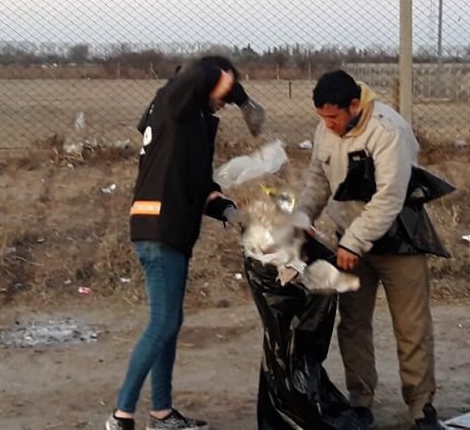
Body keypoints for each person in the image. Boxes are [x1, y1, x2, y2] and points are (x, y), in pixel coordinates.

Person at [105, 56, 264, 430]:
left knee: (169, 323)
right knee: (162, 322)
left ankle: (161, 413)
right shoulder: (173, 106)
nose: (222, 101)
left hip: (169, 230)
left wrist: (231, 214)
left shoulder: (190, 125)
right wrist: (239, 93)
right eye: (221, 92)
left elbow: (199, 185)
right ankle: (120, 415)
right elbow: (194, 74)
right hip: (161, 230)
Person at [296, 70, 448, 430]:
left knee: (411, 325)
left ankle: (421, 406)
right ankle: (360, 401)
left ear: (354, 105)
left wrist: (354, 243)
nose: (328, 125)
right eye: (322, 118)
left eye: (334, 117)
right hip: (350, 239)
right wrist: (302, 217)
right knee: (352, 324)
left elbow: (390, 196)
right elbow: (318, 179)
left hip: (399, 241)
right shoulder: (325, 129)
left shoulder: (387, 130)